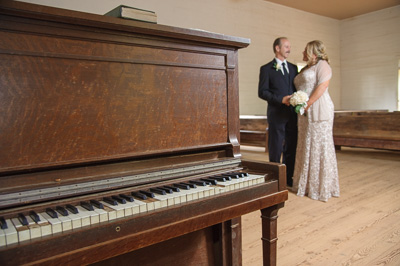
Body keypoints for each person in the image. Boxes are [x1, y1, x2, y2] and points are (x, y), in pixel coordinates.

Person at [292, 40, 340, 202]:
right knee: (306, 143)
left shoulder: (323, 65)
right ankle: (304, 184)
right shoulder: (305, 68)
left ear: (314, 52)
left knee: (320, 144)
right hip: (304, 112)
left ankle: (321, 186)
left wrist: (307, 104)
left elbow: (322, 86)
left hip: (319, 108)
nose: (303, 53)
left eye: (305, 51)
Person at [258, 37, 298, 187]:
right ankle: (275, 179)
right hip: (276, 114)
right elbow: (262, 92)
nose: (289, 49)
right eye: (286, 46)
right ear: (277, 48)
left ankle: (288, 179)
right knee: (275, 148)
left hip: (292, 115)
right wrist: (280, 99)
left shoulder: (294, 68)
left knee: (291, 147)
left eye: (289, 46)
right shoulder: (266, 69)